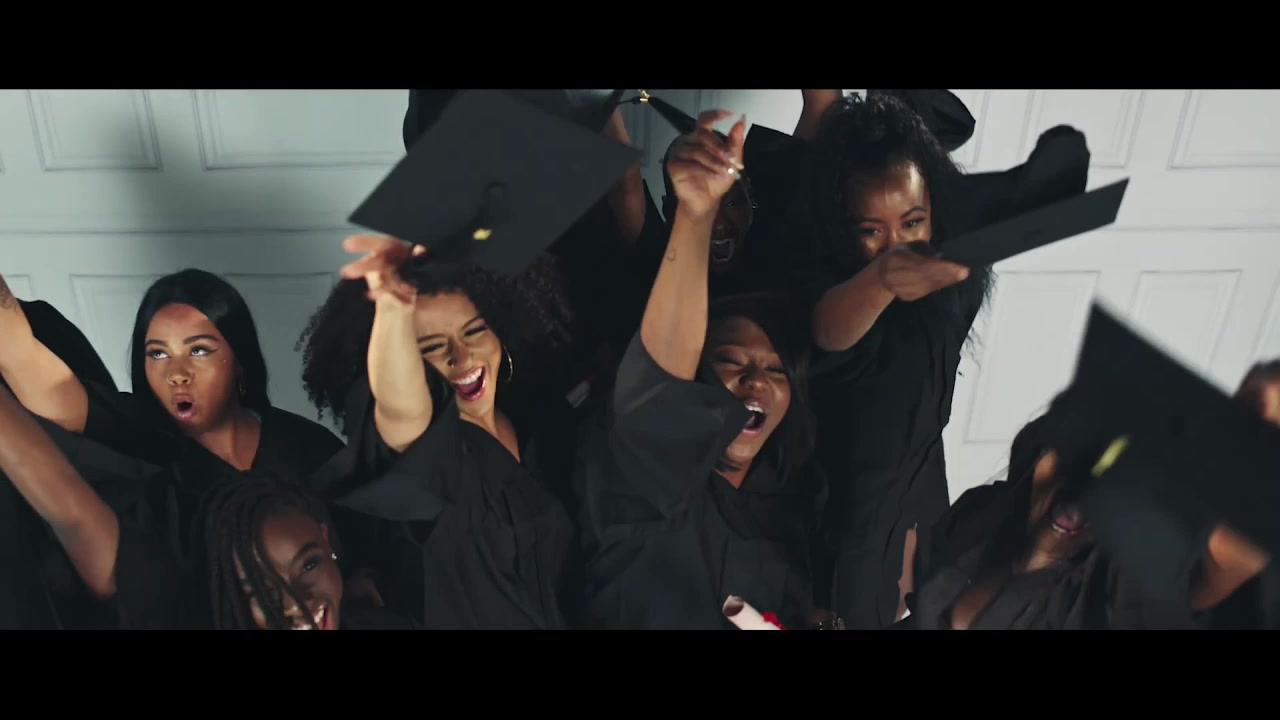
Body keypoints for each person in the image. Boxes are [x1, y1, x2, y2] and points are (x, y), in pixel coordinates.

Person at [804, 92, 1090, 628]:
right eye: (872, 232)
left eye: (912, 222)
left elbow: (1053, 179)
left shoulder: (953, 245)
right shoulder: (829, 289)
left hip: (922, 503)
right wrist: (883, 279)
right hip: (841, 535)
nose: (898, 245)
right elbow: (828, 330)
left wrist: (1059, 161)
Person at [576, 109, 826, 630]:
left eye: (777, 371)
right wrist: (696, 212)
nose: (756, 380)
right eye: (731, 362)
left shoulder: (788, 515)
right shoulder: (648, 484)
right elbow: (661, 391)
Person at [0, 269, 347, 595]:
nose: (177, 373)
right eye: (158, 353)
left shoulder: (309, 447)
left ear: (239, 360)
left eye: (199, 350)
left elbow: (363, 550)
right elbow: (27, 362)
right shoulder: (135, 435)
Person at [306, 241, 584, 629]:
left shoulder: (542, 425)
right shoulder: (427, 452)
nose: (462, 356)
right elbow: (402, 410)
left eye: (475, 331)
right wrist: (392, 307)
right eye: (434, 347)